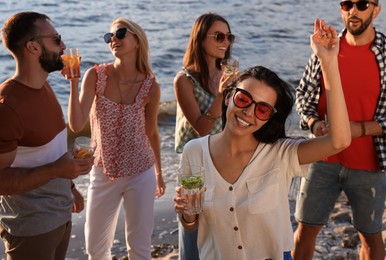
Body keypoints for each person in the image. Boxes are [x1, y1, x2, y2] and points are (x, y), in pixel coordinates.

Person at [173, 19, 351, 259]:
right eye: (244, 99)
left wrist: (328, 62)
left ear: (269, 118)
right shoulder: (194, 152)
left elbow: (339, 140)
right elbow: (191, 226)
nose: (248, 112)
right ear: (228, 97)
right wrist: (187, 214)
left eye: (263, 109)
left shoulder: (281, 154)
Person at [293, 1, 386, 259]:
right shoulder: (326, 48)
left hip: (369, 163)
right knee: (304, 231)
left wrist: (358, 129)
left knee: (370, 236)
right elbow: (302, 95)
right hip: (322, 158)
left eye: (361, 4)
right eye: (347, 4)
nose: (353, 11)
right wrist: (314, 123)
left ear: (376, 10)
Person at [67, 17, 166, 260]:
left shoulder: (151, 87)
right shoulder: (95, 75)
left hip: (141, 172)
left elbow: (151, 132)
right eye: (109, 36)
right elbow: (77, 124)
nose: (113, 39)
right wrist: (74, 83)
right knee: (96, 249)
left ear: (137, 39)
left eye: (120, 33)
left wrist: (159, 173)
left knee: (140, 248)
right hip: (103, 171)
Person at [0, 12, 94, 259]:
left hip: (60, 213)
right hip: (31, 227)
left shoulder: (45, 86)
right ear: (33, 47)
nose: (63, 45)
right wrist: (57, 170)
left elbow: (50, 151)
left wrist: (70, 185)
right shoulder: (8, 106)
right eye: (56, 39)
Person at [173, 12, 235, 260]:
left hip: (225, 160)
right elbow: (202, 128)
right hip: (194, 165)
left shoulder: (228, 74)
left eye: (229, 36)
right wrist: (222, 94)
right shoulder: (184, 80)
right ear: (200, 39)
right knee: (192, 225)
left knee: (224, 225)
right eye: (219, 36)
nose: (225, 42)